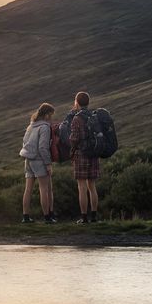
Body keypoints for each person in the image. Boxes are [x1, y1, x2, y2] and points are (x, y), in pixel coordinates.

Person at [20, 103, 56, 224]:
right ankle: (47, 217)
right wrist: (48, 164)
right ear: (46, 115)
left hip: (28, 160)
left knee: (28, 189)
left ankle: (25, 217)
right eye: (51, 115)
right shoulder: (45, 127)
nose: (51, 118)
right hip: (39, 161)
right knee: (44, 189)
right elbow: (43, 147)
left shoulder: (31, 126)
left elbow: (24, 142)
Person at [68, 90, 101, 223]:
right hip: (93, 154)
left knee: (81, 187)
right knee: (92, 186)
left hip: (81, 154)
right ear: (88, 102)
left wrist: (70, 144)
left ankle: (84, 217)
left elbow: (74, 138)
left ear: (76, 102)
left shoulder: (77, 118)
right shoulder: (94, 116)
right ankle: (94, 217)